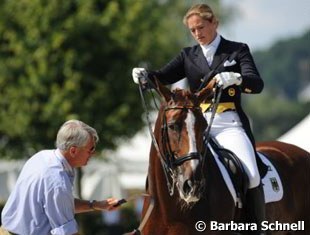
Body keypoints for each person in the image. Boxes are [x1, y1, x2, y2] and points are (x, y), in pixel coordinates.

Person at [132, 3, 265, 234]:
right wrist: (144, 75)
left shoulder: (237, 50)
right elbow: (161, 76)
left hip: (227, 123)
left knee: (251, 174)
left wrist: (237, 78)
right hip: (195, 125)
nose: (197, 34)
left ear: (214, 23)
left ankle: (256, 227)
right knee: (167, 165)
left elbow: (257, 83)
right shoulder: (188, 55)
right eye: (192, 30)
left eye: (201, 27)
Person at [1, 120, 120, 235]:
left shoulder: (42, 156)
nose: (93, 153)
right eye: (91, 149)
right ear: (73, 151)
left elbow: (60, 203)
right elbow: (66, 232)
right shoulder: (57, 181)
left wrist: (96, 205)